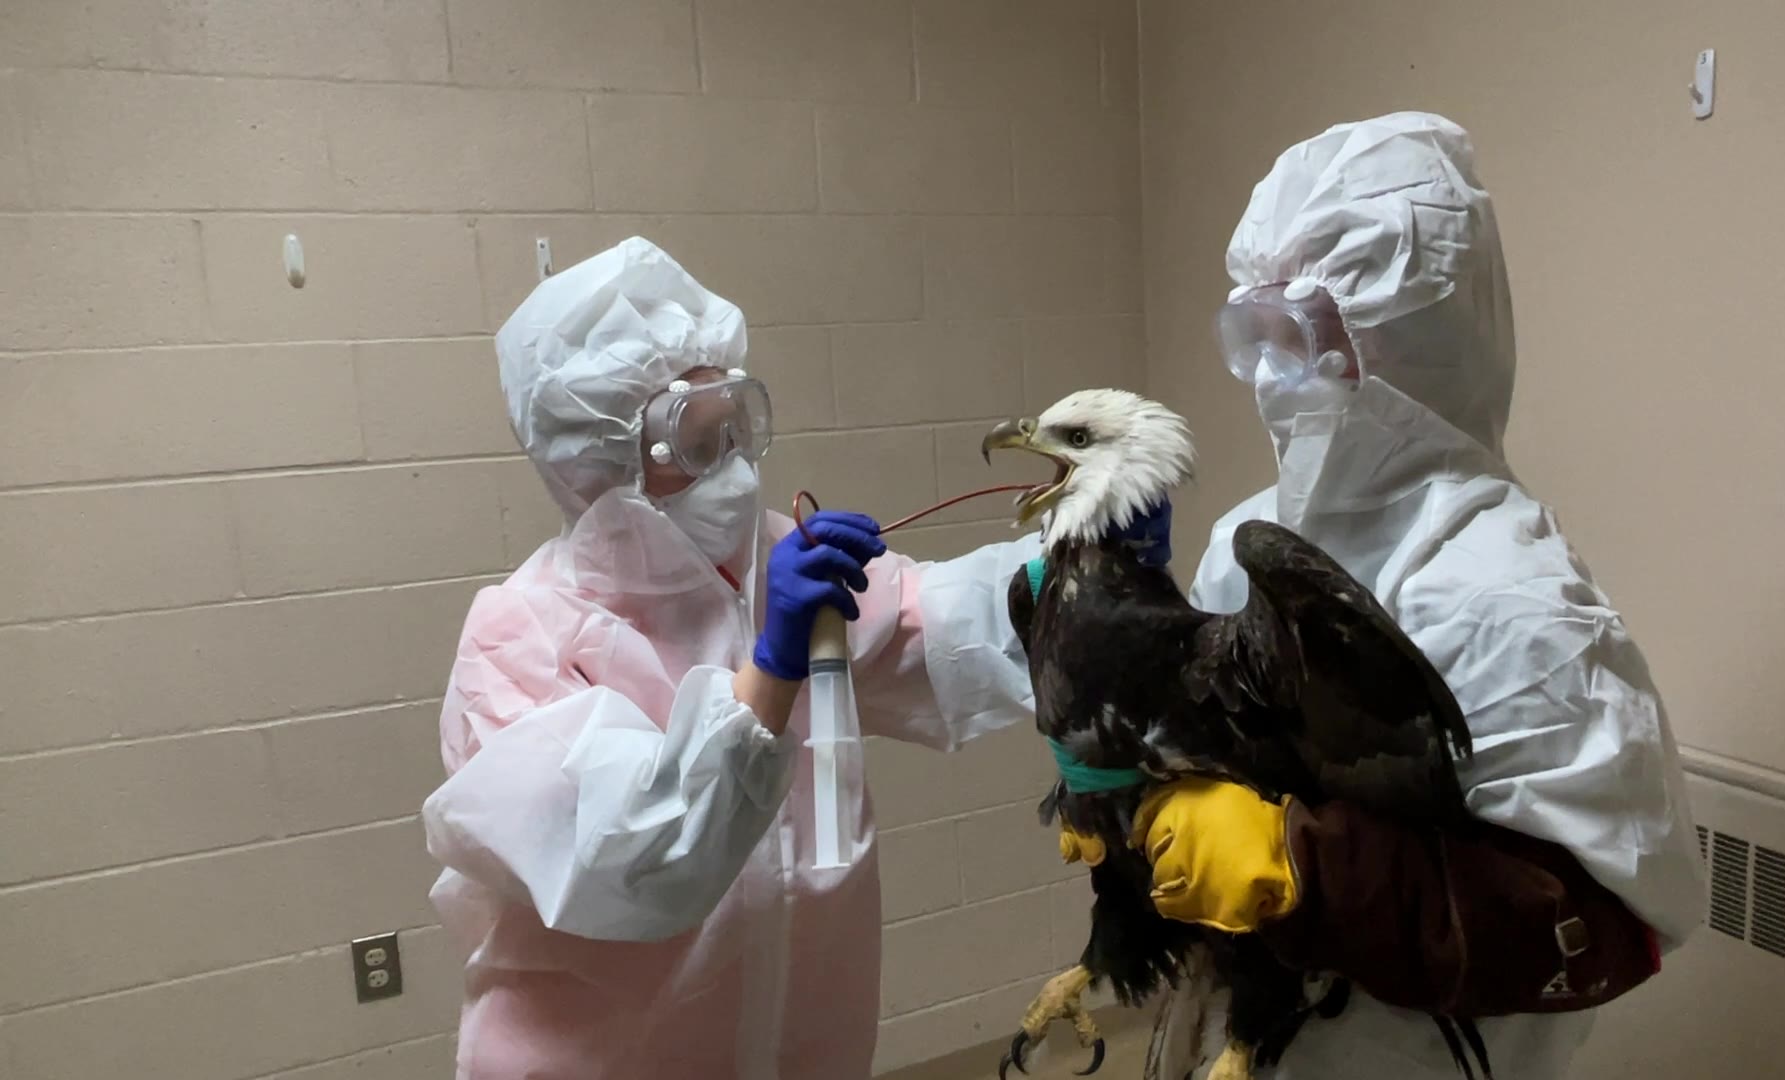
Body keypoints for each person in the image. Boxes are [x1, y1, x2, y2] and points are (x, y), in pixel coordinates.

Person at [419, 236, 1169, 1079]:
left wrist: (1070, 578)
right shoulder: (521, 637)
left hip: (796, 1048)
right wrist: (769, 673)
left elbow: (927, 625)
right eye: (693, 448)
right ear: (597, 462)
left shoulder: (772, 563)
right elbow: (635, 860)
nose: (733, 473)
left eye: (734, 431)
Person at [1128, 113, 1707, 1079]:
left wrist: (1298, 869)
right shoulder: (1246, 541)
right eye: (1254, 334)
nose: (1272, 376)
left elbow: (1607, 928)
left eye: (1305, 334)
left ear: (1417, 342)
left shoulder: (1515, 601)